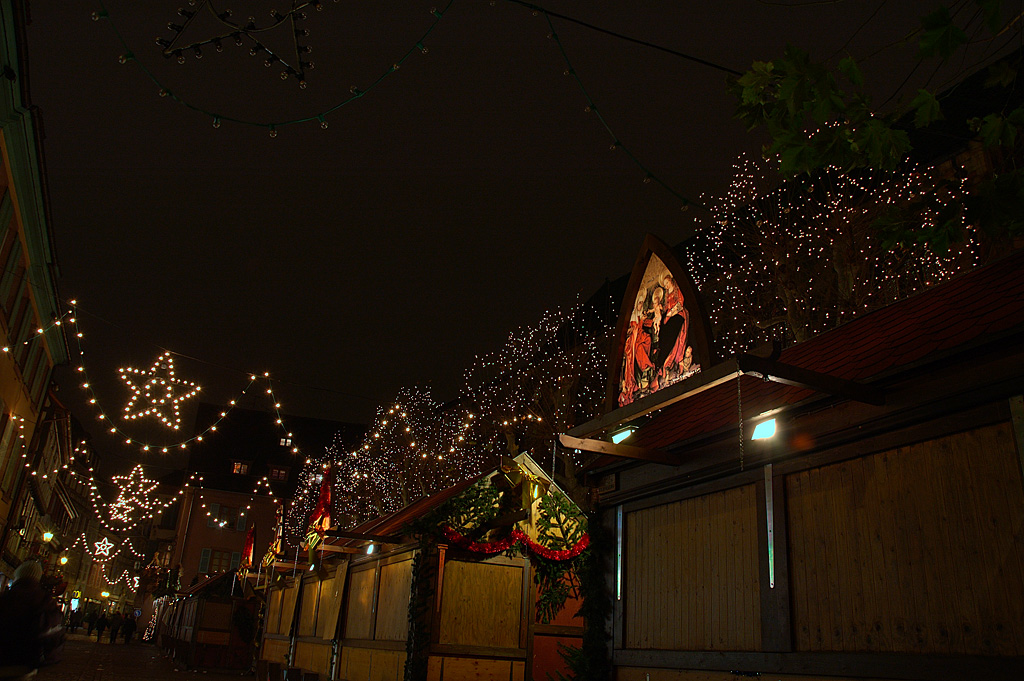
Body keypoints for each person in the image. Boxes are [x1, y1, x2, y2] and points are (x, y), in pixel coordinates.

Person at [0, 560, 65, 680]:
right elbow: (53, 634)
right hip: (26, 665)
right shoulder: (45, 601)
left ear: (17, 576)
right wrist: (46, 659)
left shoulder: (5, 598)